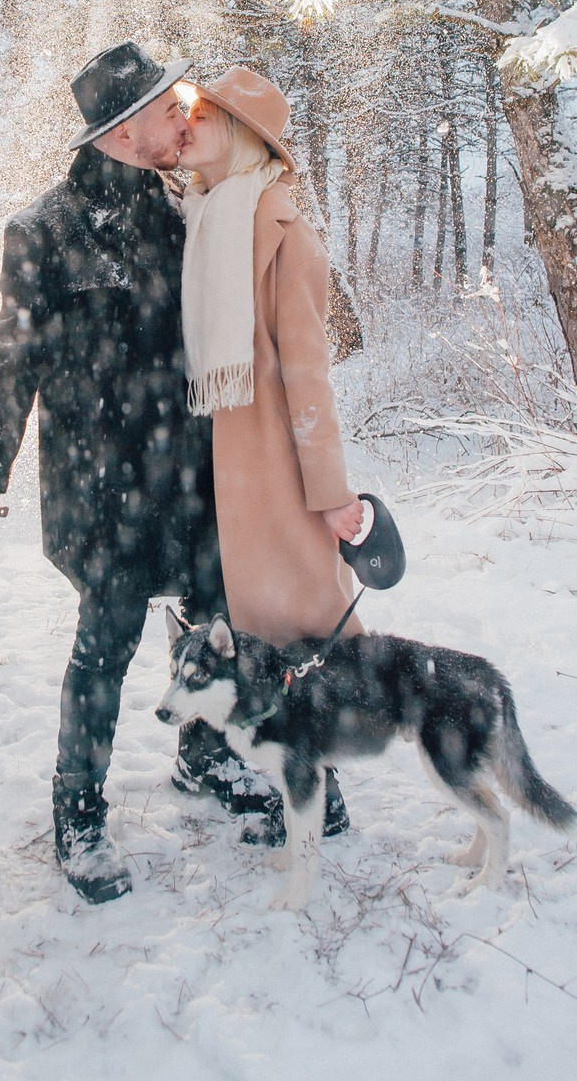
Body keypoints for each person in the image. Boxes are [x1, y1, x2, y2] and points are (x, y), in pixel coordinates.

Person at [0, 42, 262, 904]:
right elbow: (9, 362)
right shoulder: (43, 230)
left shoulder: (187, 205)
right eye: (169, 111)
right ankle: (79, 814)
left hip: (195, 474)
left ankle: (205, 759)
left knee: (213, 626)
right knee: (104, 651)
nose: (183, 121)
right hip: (101, 490)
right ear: (125, 132)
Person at [176, 65, 365, 841]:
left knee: (291, 632)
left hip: (264, 470)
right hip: (204, 463)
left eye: (203, 117)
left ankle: (319, 792)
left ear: (244, 136)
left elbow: (307, 374)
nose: (186, 126)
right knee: (221, 627)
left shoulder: (284, 232)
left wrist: (330, 491)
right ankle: (218, 757)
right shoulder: (199, 215)